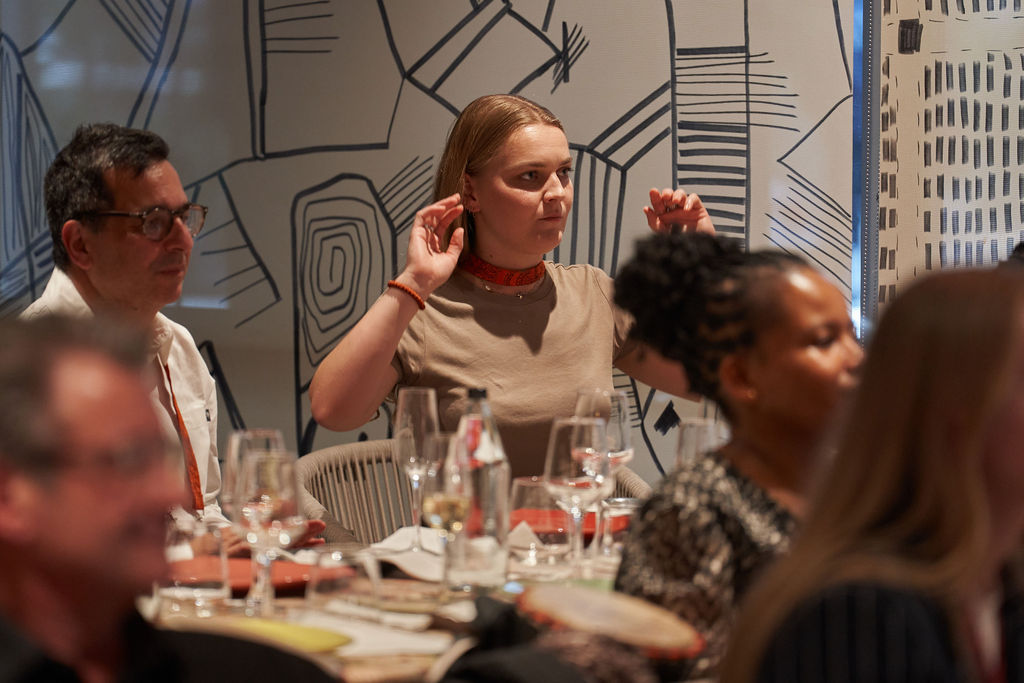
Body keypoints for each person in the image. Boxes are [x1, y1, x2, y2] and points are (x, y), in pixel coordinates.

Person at [309, 94, 714, 477]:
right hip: (466, 529)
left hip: (580, 526)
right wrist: (412, 283)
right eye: (530, 176)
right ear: (471, 191)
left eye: (564, 173)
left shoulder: (593, 295)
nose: (557, 193)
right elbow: (333, 411)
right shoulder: (421, 308)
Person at [22, 122, 325, 548]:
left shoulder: (178, 346)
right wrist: (193, 557)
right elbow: (43, 552)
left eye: (184, 218)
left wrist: (251, 545)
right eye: (154, 223)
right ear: (81, 245)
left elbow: (203, 511)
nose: (184, 240)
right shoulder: (28, 369)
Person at [719, 269, 1024, 683]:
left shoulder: (997, 586)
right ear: (954, 413)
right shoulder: (857, 616)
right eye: (824, 339)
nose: (852, 358)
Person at [0, 316, 337, 682]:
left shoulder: (269, 672)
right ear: (9, 497)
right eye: (129, 461)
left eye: (161, 456)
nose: (171, 492)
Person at [611, 232, 863, 679]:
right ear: (742, 376)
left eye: (851, 334)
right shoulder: (691, 511)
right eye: (825, 341)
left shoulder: (856, 490)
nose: (856, 358)